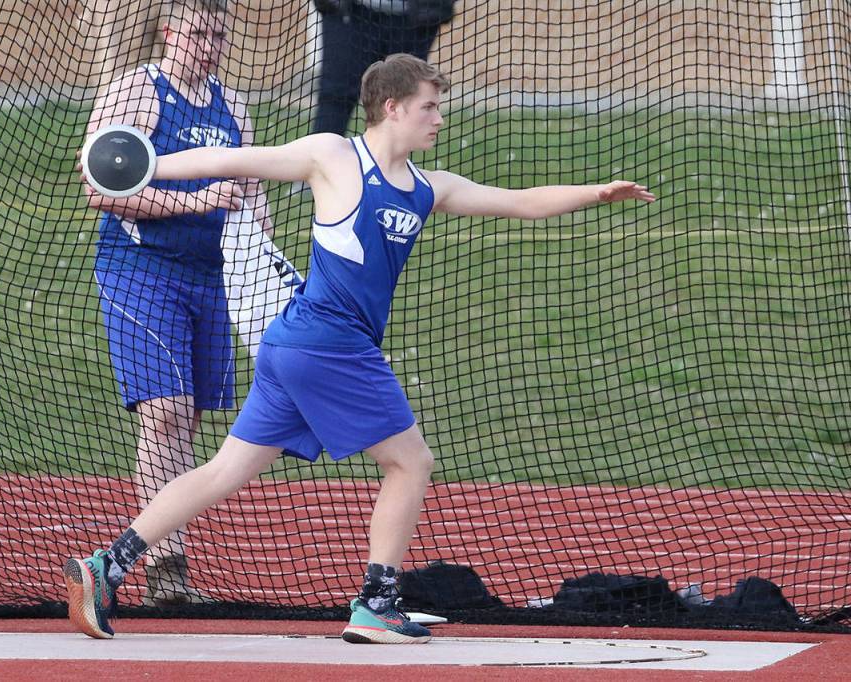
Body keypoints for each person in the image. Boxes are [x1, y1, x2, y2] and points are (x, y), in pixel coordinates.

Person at [65, 53, 655, 643]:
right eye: (429, 106)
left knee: (226, 469)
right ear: (392, 107)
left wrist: (597, 193)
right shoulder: (335, 157)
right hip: (329, 344)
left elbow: (520, 201)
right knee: (410, 462)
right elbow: (231, 158)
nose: (439, 118)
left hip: (299, 346)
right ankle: (377, 603)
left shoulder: (428, 187)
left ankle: (104, 566)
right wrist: (145, 166)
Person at [84, 0, 272, 606]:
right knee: (164, 411)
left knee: (188, 421)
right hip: (141, 266)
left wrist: (261, 255)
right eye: (198, 33)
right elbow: (101, 190)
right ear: (170, 32)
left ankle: (166, 557)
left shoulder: (232, 104)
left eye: (219, 36)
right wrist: (197, 201)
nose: (209, 46)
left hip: (211, 274)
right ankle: (166, 569)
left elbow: (251, 190)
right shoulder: (136, 93)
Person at [311, 0, 457, 136]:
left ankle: (392, 164)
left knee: (403, 101)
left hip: (415, 19)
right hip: (349, 13)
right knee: (336, 96)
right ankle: (318, 162)